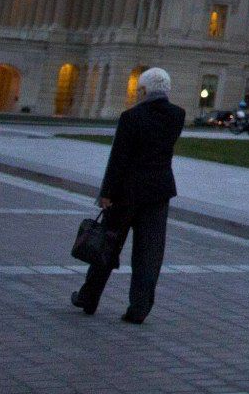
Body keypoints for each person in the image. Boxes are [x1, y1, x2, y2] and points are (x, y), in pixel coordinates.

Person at [72, 66, 184, 323]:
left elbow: (119, 158)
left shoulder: (131, 116)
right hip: (158, 192)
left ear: (143, 90)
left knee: (106, 246)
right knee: (149, 253)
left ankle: (89, 298)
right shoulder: (178, 115)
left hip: (125, 193)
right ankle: (139, 308)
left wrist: (106, 193)